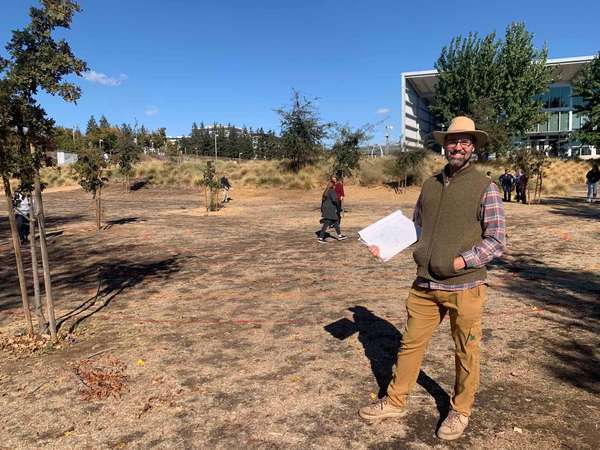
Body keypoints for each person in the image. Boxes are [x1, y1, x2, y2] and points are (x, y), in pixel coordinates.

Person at [358, 116, 506, 441]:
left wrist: (460, 261)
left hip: (464, 286)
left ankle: (460, 410)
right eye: (453, 140)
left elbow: (496, 241)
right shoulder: (430, 184)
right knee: (410, 345)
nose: (458, 146)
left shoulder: (486, 188)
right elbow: (416, 230)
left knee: (466, 351)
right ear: (444, 145)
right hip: (424, 286)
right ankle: (395, 400)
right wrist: (384, 246)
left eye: (465, 141)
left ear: (473, 147)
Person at [318, 179, 347, 243]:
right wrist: (339, 199)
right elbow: (334, 200)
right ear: (333, 185)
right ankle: (320, 238)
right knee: (327, 223)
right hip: (330, 209)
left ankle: (339, 236)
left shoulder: (326, 191)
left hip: (326, 208)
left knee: (335, 221)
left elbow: (323, 201)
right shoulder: (331, 191)